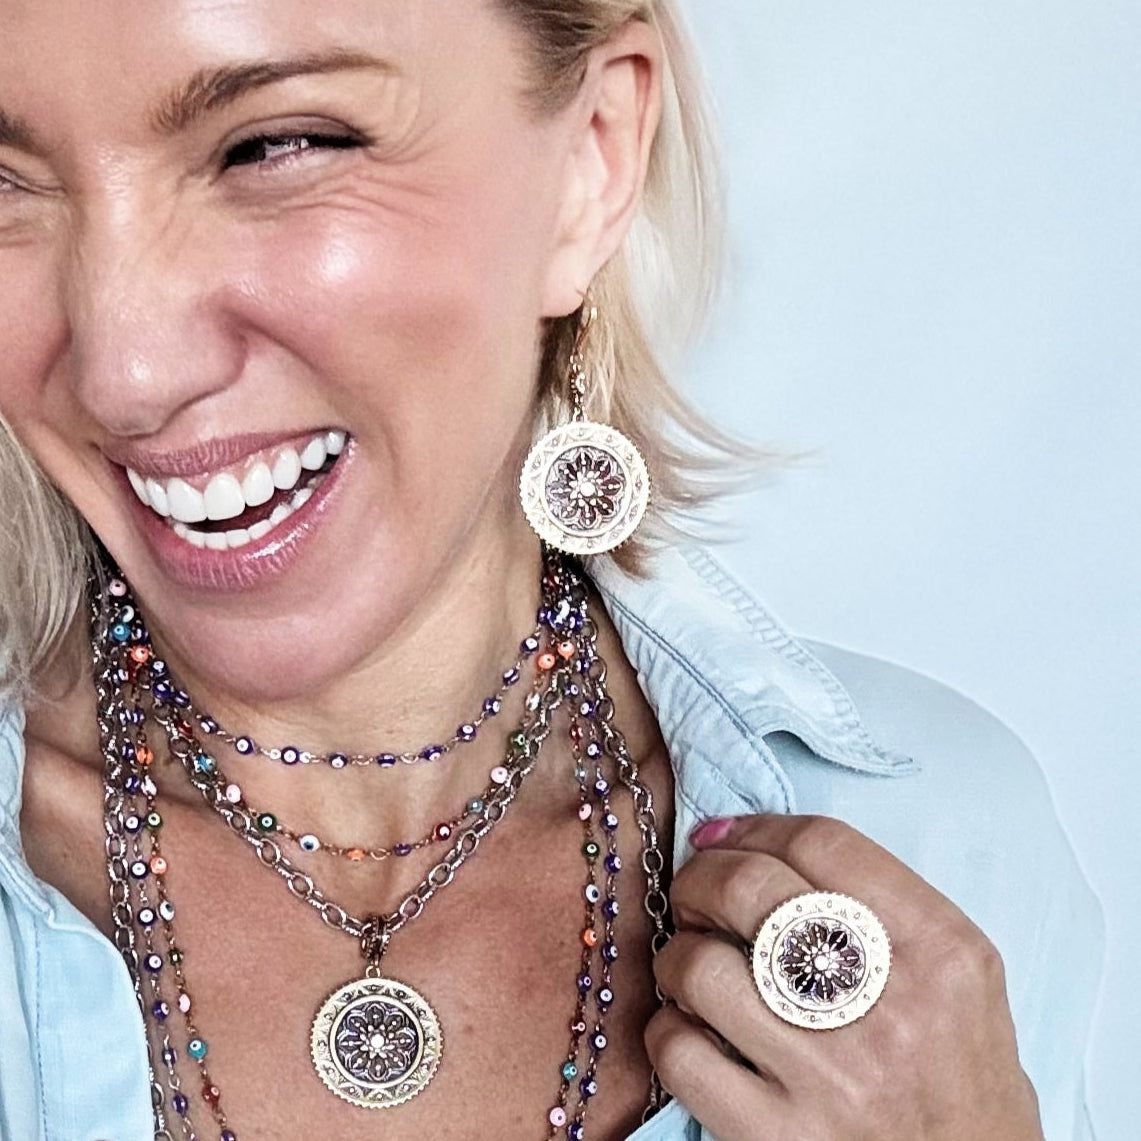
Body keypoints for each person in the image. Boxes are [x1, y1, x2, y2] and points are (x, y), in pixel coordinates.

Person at [0, 2, 1101, 1140]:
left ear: (592, 158)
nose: (126, 371)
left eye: (275, 147)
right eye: (4, 181)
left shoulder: (929, 847)